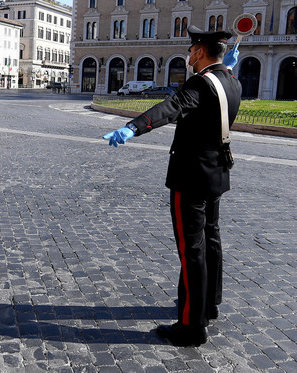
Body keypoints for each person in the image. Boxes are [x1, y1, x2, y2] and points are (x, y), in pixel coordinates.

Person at [102, 26, 242, 347]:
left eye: (192, 50)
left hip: (191, 177)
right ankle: (209, 303)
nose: (189, 56)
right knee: (211, 240)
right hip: (217, 173)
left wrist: (132, 128)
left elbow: (172, 107)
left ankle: (192, 325)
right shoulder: (232, 82)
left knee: (191, 249)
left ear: (201, 52)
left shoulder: (200, 83)